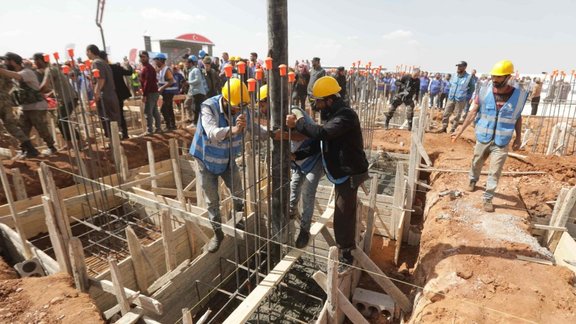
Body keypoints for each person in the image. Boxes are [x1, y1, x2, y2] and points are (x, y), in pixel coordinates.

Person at [286, 76, 369, 270]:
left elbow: (322, 134)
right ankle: (345, 250)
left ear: (330, 99)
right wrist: (297, 155)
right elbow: (319, 144)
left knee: (342, 215)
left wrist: (298, 124)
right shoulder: (331, 114)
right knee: (344, 211)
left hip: (349, 173)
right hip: (340, 170)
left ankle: (346, 254)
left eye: (319, 101)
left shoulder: (345, 116)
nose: (316, 105)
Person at [190, 78, 270, 252]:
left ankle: (239, 218)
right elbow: (211, 132)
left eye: (240, 108)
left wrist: (270, 133)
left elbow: (253, 128)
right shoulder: (208, 107)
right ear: (225, 100)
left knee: (238, 192)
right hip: (206, 159)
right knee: (212, 200)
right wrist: (233, 129)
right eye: (234, 107)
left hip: (227, 159)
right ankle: (217, 233)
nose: (237, 111)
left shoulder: (242, 109)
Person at [451, 60, 528, 212]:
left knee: (495, 170)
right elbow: (472, 112)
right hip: (483, 136)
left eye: (499, 77)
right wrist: (459, 131)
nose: (495, 80)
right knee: (477, 161)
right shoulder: (484, 90)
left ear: (508, 77)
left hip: (502, 140)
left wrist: (518, 138)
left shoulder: (519, 96)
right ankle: (473, 180)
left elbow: (517, 117)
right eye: (493, 76)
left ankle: (488, 198)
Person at [259, 84, 324, 248]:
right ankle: (290, 214)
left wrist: (285, 136)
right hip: (299, 163)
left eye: (262, 103)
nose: (260, 108)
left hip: (314, 159)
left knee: (307, 194)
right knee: (294, 188)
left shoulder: (294, 112)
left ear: (271, 101)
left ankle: (304, 230)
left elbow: (304, 133)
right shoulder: (275, 117)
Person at [0, 52, 56, 155]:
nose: (5, 63)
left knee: (41, 128)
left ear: (13, 62)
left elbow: (17, 76)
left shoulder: (26, 72)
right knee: (22, 129)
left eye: (7, 61)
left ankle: (51, 147)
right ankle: (26, 150)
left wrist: (1, 70)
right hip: (25, 107)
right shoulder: (13, 75)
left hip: (36, 107)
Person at [33, 53, 81, 149]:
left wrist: (34, 93)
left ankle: (78, 142)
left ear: (40, 60)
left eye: (35, 61)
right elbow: (56, 88)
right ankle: (71, 143)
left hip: (68, 99)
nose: (35, 63)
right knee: (63, 121)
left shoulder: (49, 69)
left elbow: (44, 85)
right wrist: (47, 95)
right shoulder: (53, 69)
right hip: (68, 98)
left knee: (61, 121)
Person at [0, 54, 40, 157]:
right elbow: (10, 84)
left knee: (10, 125)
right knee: (11, 125)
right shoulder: (4, 68)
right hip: (6, 100)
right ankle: (30, 148)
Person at [86, 44, 121, 138]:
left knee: (106, 118)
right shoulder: (103, 62)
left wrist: (96, 93)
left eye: (87, 52)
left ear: (90, 51)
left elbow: (101, 79)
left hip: (105, 95)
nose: (86, 54)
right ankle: (115, 140)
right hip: (110, 94)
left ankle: (113, 141)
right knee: (112, 119)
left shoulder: (96, 63)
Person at [441, 61, 475, 133]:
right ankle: (444, 127)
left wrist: (466, 97)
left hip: (460, 99)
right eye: (458, 66)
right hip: (451, 98)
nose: (458, 68)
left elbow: (472, 89)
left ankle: (453, 129)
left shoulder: (468, 77)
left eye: (460, 66)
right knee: (446, 113)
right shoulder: (454, 75)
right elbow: (450, 85)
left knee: (457, 115)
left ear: (465, 67)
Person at [138, 51, 162, 135]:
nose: (142, 58)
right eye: (141, 57)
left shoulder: (148, 68)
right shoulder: (147, 67)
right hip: (153, 92)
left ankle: (150, 130)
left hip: (150, 93)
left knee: (148, 112)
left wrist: (144, 95)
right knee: (155, 111)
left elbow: (147, 82)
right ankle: (158, 128)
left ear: (147, 57)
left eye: (144, 57)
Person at [154, 53, 178, 130]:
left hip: (169, 92)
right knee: (169, 108)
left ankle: (169, 126)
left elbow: (171, 81)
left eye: (156, 60)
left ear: (161, 60)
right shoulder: (161, 70)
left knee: (164, 109)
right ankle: (172, 125)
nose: (155, 62)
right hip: (166, 92)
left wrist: (162, 88)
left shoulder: (166, 70)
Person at [186, 55, 208, 125]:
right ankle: (198, 123)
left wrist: (188, 82)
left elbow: (198, 80)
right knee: (195, 108)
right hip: (195, 92)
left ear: (191, 63)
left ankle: (196, 123)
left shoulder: (196, 70)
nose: (186, 65)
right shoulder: (192, 71)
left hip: (199, 92)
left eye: (187, 64)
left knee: (196, 108)